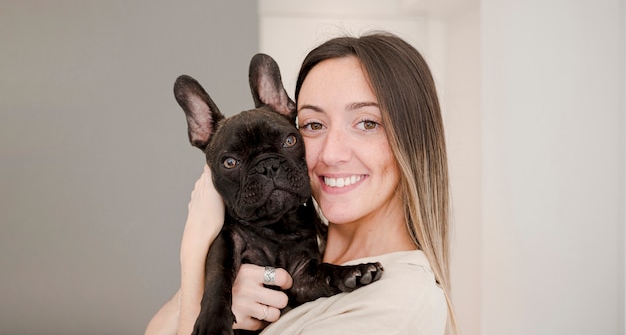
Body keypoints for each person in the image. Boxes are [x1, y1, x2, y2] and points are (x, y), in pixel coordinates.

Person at [145, 32, 458, 335]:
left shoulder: (396, 304)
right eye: (313, 124)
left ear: (414, 142)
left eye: (367, 123)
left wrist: (192, 251)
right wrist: (207, 288)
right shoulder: (294, 249)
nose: (333, 153)